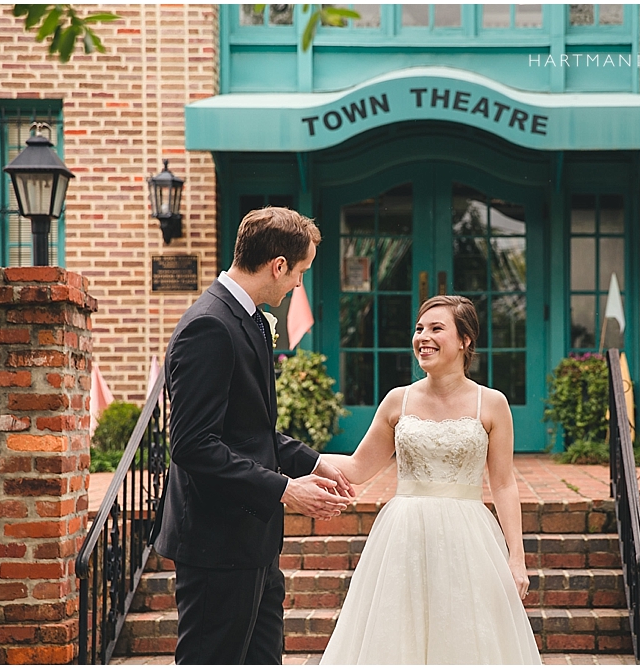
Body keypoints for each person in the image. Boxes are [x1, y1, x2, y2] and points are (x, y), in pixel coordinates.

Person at [152, 206, 355, 665]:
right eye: (299, 273)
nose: (298, 285)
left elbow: (249, 429)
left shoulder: (249, 319)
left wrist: (314, 462)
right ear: (277, 264)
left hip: (253, 543)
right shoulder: (210, 325)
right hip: (216, 545)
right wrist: (286, 489)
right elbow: (193, 446)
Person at [318, 295, 541, 665]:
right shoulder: (397, 402)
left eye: (437, 328)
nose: (423, 336)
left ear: (465, 340)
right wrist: (286, 458)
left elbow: (503, 484)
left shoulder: (492, 404)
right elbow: (357, 467)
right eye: (419, 329)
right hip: (403, 536)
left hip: (469, 538)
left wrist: (516, 560)